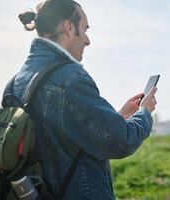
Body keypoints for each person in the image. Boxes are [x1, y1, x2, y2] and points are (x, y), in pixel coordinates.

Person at [15, 0, 157, 199]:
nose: (88, 40)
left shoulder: (19, 79)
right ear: (69, 27)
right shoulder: (71, 78)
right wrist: (145, 112)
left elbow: (64, 133)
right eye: (85, 29)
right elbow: (122, 140)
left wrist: (121, 116)